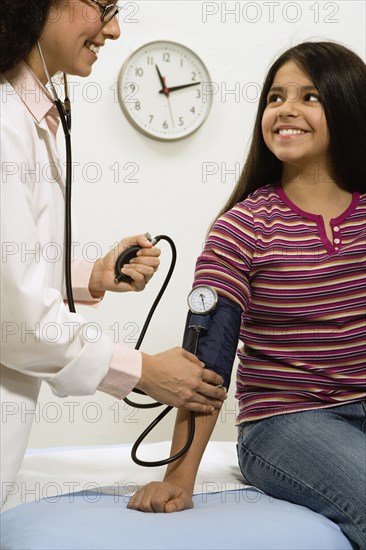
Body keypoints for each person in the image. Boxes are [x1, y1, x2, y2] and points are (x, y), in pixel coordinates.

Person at [127, 41, 366, 550]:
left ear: (348, 106)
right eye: (275, 97)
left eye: (310, 96)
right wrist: (178, 480)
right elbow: (208, 358)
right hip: (287, 423)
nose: (285, 109)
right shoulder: (243, 227)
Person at [0, 0, 226, 505]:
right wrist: (144, 370)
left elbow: (12, 272)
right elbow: (18, 321)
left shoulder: (28, 116)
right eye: (103, 6)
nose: (115, 29)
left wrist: (92, 276)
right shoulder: (6, 123)